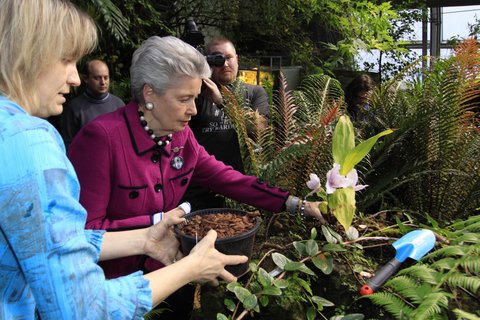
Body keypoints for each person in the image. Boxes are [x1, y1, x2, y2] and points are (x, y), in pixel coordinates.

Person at [0, 1, 247, 319]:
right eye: (66, 60)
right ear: (27, 53)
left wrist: (144, 238)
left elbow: (46, 240)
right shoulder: (28, 142)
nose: (75, 78)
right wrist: (189, 269)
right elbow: (81, 308)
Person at [67, 35, 325, 277]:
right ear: (149, 93)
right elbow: (81, 233)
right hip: (112, 288)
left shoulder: (181, 136)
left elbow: (228, 179)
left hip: (170, 273)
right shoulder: (101, 139)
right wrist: (155, 222)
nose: (193, 110)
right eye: (184, 99)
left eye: (196, 98)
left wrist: (297, 204)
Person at [184, 37, 270, 208]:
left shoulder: (254, 92)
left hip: (242, 184)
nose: (225, 65)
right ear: (207, 63)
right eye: (218, 59)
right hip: (202, 185)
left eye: (229, 58)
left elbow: (259, 128)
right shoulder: (196, 93)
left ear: (237, 59)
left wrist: (222, 102)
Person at [62, 59, 125, 147]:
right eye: (97, 78)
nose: (103, 82)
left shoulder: (118, 104)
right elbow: (68, 143)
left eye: (106, 77)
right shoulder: (75, 107)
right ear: (86, 79)